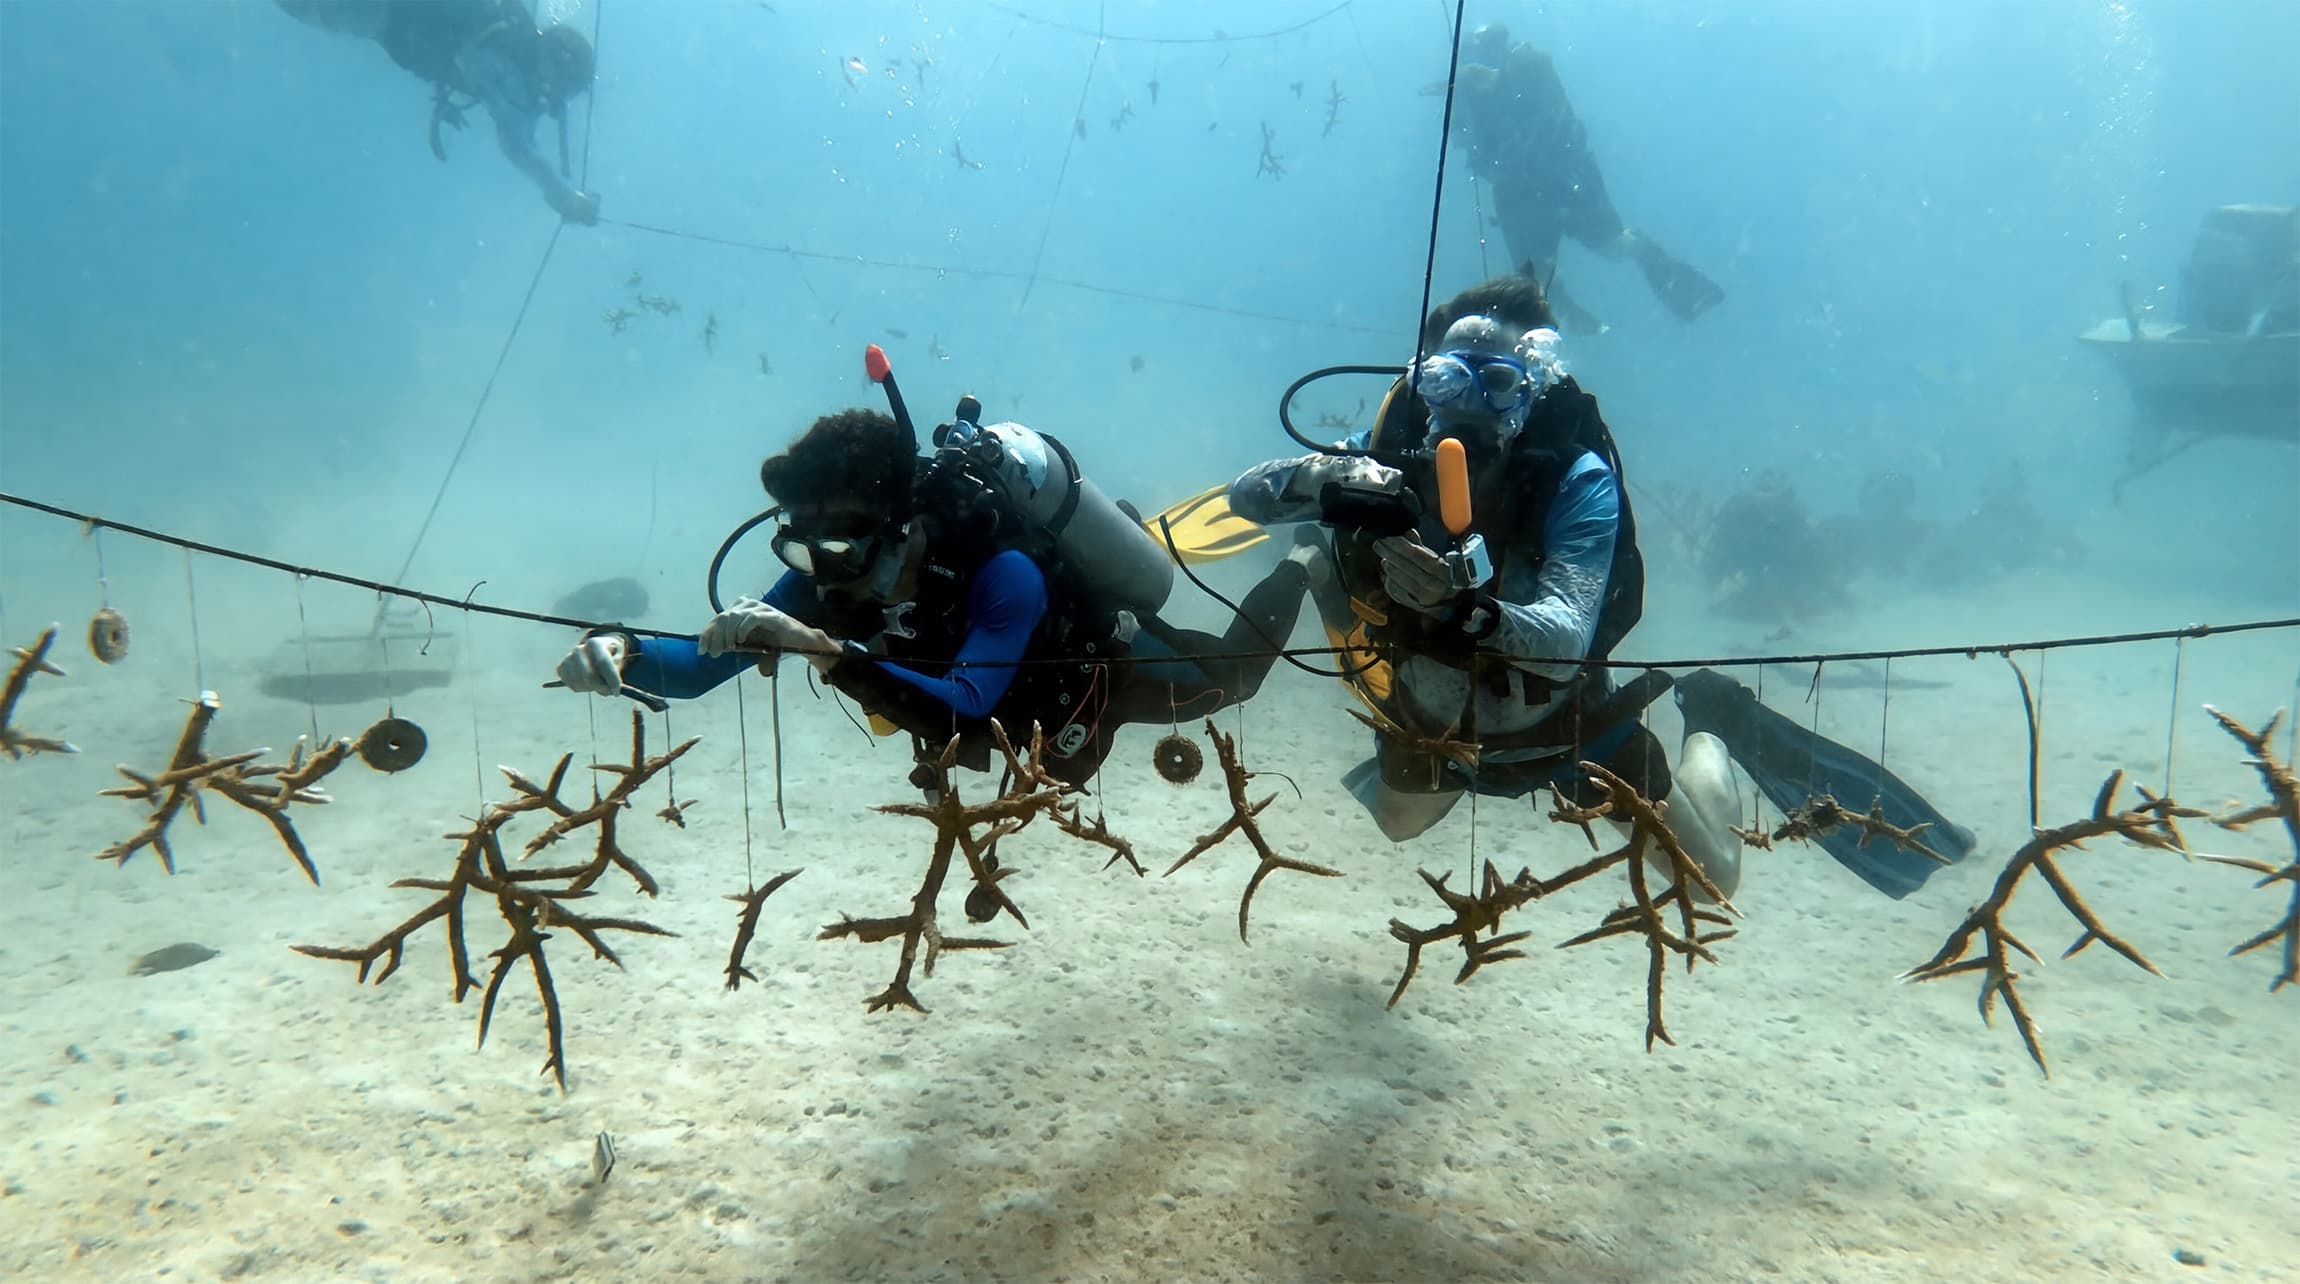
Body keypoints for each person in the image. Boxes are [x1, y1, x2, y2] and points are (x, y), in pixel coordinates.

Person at [1225, 272, 1747, 896]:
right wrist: (1327, 477)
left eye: (1496, 385)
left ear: (1531, 390)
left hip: (1564, 721)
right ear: (1426, 384)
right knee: (1396, 823)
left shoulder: (1574, 478)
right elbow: (1245, 497)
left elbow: (1566, 640)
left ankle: (1711, 718)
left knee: (1710, 882)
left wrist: (1467, 610)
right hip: (1434, 723)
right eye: (1447, 382)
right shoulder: (1384, 455)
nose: (1467, 406)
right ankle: (1313, 564)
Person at [554, 407, 1318, 787]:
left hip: (1086, 671)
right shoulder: (831, 575)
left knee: (1232, 678)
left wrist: (821, 649)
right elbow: (695, 669)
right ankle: (1140, 529)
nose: (820, 570)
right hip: (984, 699)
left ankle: (1305, 559)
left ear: (896, 525)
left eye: (840, 547)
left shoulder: (999, 569)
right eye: (800, 548)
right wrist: (620, 651)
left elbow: (967, 707)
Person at [1454, 22, 1722, 329]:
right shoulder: (1467, 92)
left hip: (1568, 177)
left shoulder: (1528, 62)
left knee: (1613, 247)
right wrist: (1464, 111)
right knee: (1535, 277)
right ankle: (1570, 317)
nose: (1480, 60)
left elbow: (1548, 96)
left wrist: (1497, 79)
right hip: (1519, 194)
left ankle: (1658, 263)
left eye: (1487, 50)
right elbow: (1466, 145)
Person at [276, 0, 601, 224]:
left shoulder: (510, 40)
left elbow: (523, 150)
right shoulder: (515, 90)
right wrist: (566, 198)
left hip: (378, 18)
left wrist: (565, 197)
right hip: (377, 19)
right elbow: (521, 150)